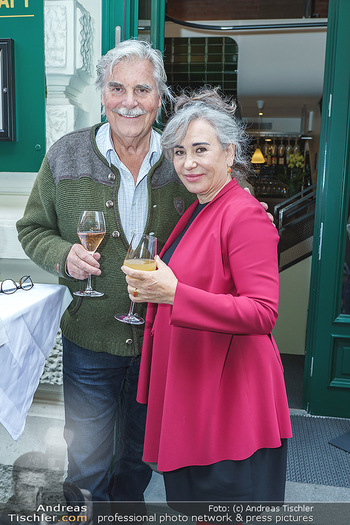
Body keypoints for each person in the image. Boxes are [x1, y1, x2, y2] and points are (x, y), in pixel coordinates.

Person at [16, 40, 272, 504]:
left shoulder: (180, 158)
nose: (128, 101)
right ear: (101, 94)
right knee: (87, 464)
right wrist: (61, 255)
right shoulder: (66, 154)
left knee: (138, 462)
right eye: (116, 88)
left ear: (159, 97)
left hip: (161, 346)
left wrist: (256, 218)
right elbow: (32, 228)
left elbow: (223, 203)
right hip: (90, 340)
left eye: (142, 89)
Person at [122, 89, 292, 507]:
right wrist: (154, 290)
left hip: (232, 404)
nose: (188, 163)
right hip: (198, 392)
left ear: (230, 153)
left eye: (200, 149)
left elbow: (263, 313)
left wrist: (174, 293)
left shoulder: (244, 213)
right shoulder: (201, 207)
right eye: (179, 152)